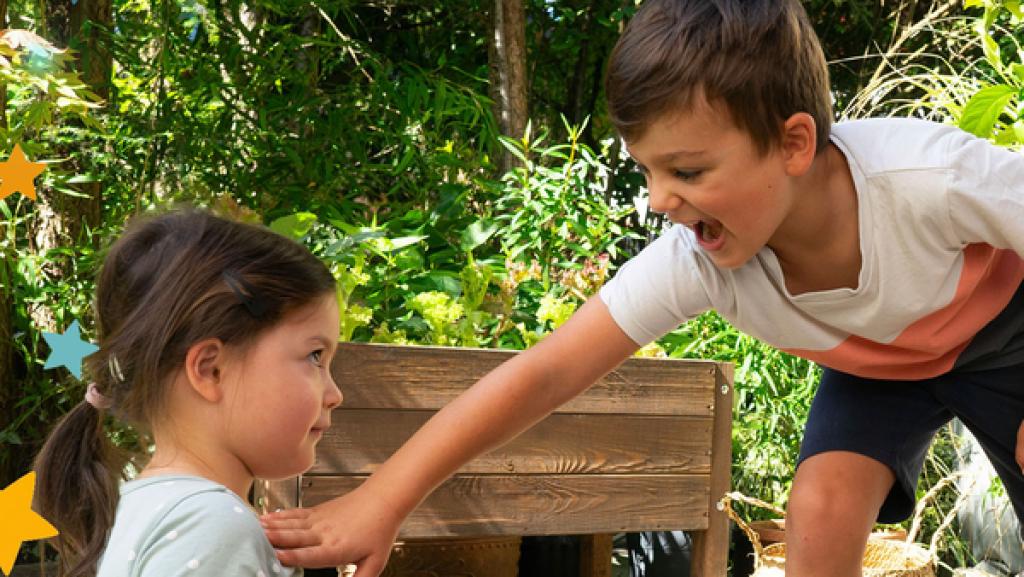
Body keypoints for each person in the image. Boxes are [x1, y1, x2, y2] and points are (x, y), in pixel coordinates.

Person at [261, 1, 1024, 576]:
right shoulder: (697, 258)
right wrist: (384, 496)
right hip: (877, 367)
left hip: (1009, 336)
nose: (660, 199)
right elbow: (544, 372)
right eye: (648, 171)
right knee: (820, 506)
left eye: (687, 171)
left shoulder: (927, 179)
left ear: (793, 143)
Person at [34, 208, 344, 577]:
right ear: (211, 370)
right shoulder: (211, 525)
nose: (335, 393)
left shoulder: (143, 508)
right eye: (314, 356)